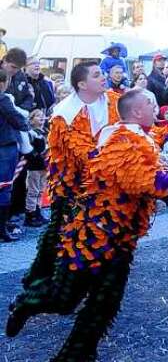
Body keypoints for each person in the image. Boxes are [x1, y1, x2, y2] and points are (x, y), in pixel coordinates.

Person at [6, 88, 168, 356]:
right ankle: (26, 303)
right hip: (93, 237)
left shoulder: (138, 135)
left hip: (122, 239)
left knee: (105, 303)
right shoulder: (121, 139)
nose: (156, 108)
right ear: (137, 112)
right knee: (64, 299)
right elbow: (137, 178)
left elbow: (151, 158)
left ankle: (76, 353)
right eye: (150, 104)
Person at [17, 60, 120, 289]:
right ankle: (42, 276)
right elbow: (81, 155)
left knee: (101, 229)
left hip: (103, 181)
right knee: (59, 233)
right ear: (82, 84)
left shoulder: (114, 101)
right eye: (96, 75)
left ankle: (88, 275)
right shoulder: (64, 114)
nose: (103, 77)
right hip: (71, 185)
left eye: (102, 73)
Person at [0, 70, 29, 242]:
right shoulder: (2, 99)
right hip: (4, 146)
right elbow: (18, 120)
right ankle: (2, 230)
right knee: (4, 188)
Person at [24, 109, 48, 229]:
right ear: (32, 120)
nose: (42, 119)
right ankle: (30, 213)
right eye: (38, 117)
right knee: (33, 190)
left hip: (44, 165)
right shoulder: (31, 133)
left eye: (43, 117)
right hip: (34, 166)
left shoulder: (45, 132)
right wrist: (36, 155)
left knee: (40, 190)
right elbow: (29, 150)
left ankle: (38, 211)